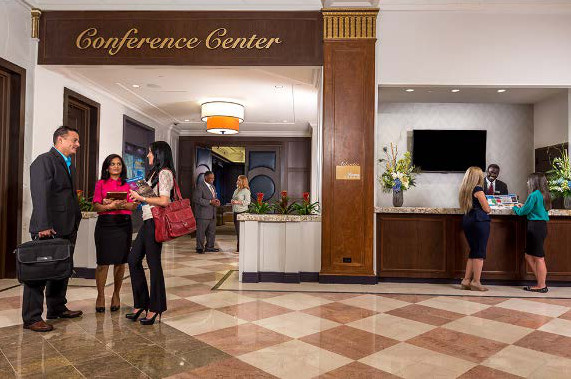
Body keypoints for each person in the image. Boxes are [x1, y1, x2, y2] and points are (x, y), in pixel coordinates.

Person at [25, 126, 84, 332]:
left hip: (67, 226)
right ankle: (32, 318)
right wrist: (43, 225)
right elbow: (40, 194)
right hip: (48, 227)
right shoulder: (44, 161)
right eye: (74, 140)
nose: (77, 144)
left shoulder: (69, 165)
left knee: (61, 269)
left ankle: (57, 307)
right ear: (60, 139)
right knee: (39, 273)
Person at [127, 141, 175, 325]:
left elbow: (164, 201)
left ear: (158, 154)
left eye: (150, 153)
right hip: (148, 221)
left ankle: (156, 307)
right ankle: (141, 303)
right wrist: (138, 195)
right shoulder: (154, 173)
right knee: (133, 260)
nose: (147, 155)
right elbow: (153, 197)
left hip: (155, 222)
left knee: (154, 265)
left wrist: (141, 197)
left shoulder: (164, 173)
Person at [92, 154, 138, 313]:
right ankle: (100, 296)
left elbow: (133, 206)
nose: (116, 166)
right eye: (113, 164)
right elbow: (96, 206)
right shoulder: (101, 183)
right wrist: (111, 206)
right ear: (107, 167)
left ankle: (116, 294)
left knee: (120, 261)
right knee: (102, 262)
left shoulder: (128, 185)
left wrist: (123, 204)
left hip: (123, 224)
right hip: (105, 225)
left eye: (119, 164)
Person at [513, 173, 551, 293]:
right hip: (541, 226)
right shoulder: (544, 194)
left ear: (534, 182)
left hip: (535, 227)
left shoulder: (533, 195)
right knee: (529, 256)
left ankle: (541, 285)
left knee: (539, 258)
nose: (527, 183)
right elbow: (535, 208)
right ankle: (541, 281)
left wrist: (515, 207)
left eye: (529, 181)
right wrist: (524, 206)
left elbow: (522, 212)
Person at [459, 166, 492, 292]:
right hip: (479, 221)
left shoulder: (465, 189)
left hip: (468, 220)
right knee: (479, 252)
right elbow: (487, 208)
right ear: (477, 177)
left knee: (473, 251)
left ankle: (466, 280)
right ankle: (476, 282)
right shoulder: (478, 189)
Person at [193, 171, 220, 254]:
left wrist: (216, 202)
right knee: (201, 232)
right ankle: (199, 248)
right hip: (202, 214)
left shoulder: (213, 187)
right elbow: (197, 199)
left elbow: (213, 198)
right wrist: (209, 202)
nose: (212, 179)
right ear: (205, 178)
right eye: (211, 178)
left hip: (212, 213)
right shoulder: (200, 186)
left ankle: (210, 247)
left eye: (213, 178)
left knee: (211, 232)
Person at [231, 175, 251, 253]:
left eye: (239, 180)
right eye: (237, 180)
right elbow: (233, 198)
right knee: (237, 231)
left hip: (242, 212)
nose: (237, 181)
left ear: (243, 181)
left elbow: (248, 202)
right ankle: (239, 248)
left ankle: (241, 248)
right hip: (235, 212)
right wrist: (232, 201)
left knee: (241, 231)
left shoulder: (246, 191)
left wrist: (238, 202)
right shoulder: (236, 190)